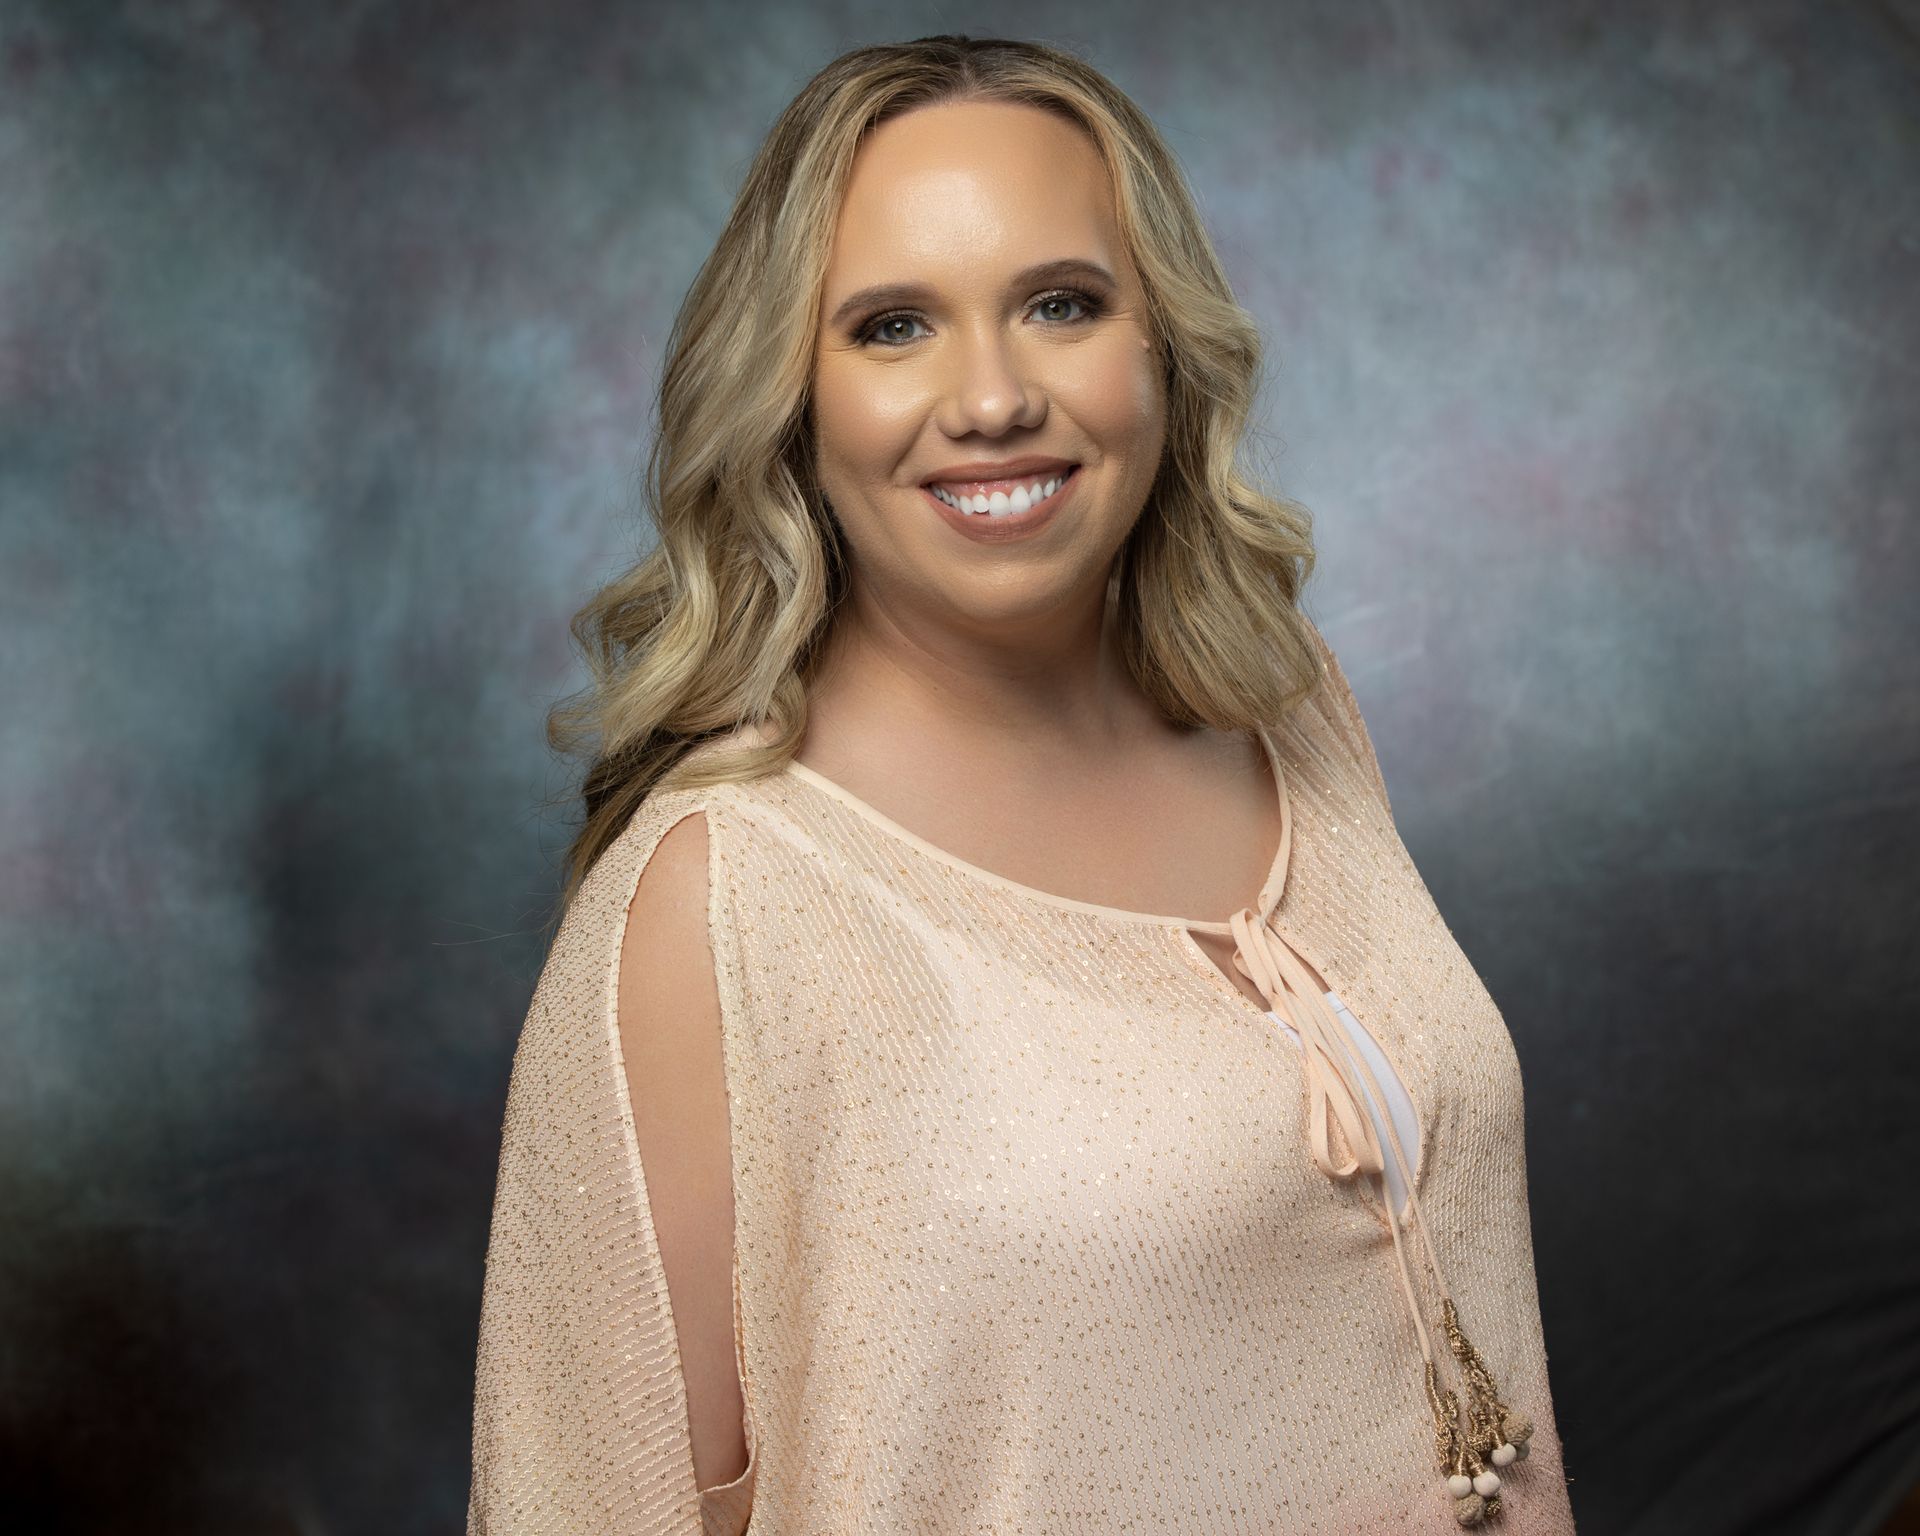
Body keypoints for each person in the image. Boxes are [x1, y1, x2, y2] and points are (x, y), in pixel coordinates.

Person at [468, 34, 1578, 1535]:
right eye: (891, 326)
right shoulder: (716, 901)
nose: (990, 399)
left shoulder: (1293, 708)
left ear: (1158, 346)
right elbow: (590, 1502)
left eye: (1061, 304)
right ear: (789, 395)